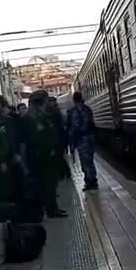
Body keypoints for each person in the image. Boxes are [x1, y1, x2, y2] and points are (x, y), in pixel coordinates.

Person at [27, 90, 67, 218]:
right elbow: (37, 139)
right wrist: (49, 150)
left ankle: (53, 208)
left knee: (51, 183)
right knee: (47, 184)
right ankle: (51, 210)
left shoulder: (43, 116)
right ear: (42, 101)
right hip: (43, 157)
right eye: (46, 100)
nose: (48, 102)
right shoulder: (34, 118)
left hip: (49, 155)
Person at [67, 91, 98, 192]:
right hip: (90, 138)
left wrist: (71, 139)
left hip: (81, 140)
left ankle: (90, 182)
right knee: (89, 161)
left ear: (74, 100)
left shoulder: (74, 111)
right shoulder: (87, 109)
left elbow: (74, 127)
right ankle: (92, 180)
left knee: (85, 162)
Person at [47, 96, 70, 179]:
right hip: (60, 138)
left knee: (59, 157)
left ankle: (64, 173)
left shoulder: (54, 112)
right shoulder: (57, 111)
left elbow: (57, 127)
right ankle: (64, 173)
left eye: (50, 102)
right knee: (59, 157)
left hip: (58, 138)